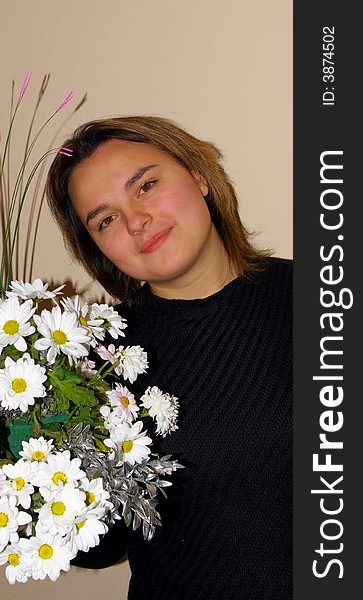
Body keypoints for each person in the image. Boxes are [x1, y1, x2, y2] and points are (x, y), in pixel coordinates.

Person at [46, 116, 292, 600]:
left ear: (199, 176)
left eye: (147, 186)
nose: (135, 220)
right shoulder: (95, 364)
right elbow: (97, 549)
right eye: (106, 219)